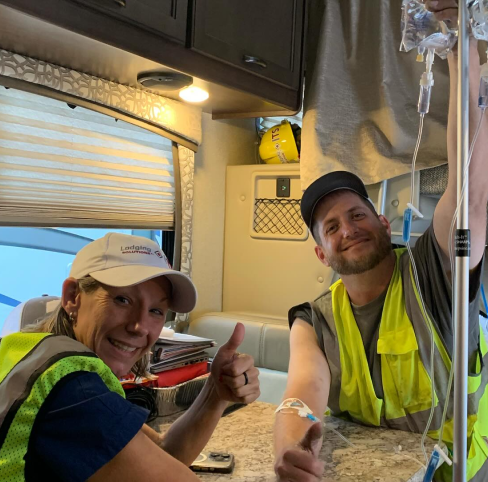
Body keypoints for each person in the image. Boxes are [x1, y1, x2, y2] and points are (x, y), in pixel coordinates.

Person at [274, 1, 488, 481]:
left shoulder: (433, 272)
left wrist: (460, 51)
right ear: (320, 253)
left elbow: (468, 182)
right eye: (331, 227)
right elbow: (301, 392)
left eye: (356, 214)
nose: (347, 228)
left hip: (459, 469)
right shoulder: (313, 320)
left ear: (384, 224)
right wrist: (292, 449)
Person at [0, 232, 260, 481]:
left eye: (157, 311)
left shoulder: (22, 351)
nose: (140, 326)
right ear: (72, 297)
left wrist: (215, 392)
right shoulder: (74, 390)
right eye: (122, 300)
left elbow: (162, 455)